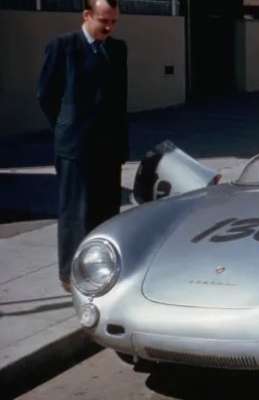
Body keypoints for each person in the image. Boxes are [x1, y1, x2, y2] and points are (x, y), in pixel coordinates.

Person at [37, 0, 128, 292]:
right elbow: (46, 95)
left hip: (109, 146)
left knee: (106, 212)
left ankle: (103, 269)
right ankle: (70, 274)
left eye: (114, 21)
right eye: (104, 21)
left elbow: (119, 99)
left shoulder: (117, 49)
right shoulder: (62, 48)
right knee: (76, 214)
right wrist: (67, 126)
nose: (109, 27)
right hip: (76, 147)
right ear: (87, 15)